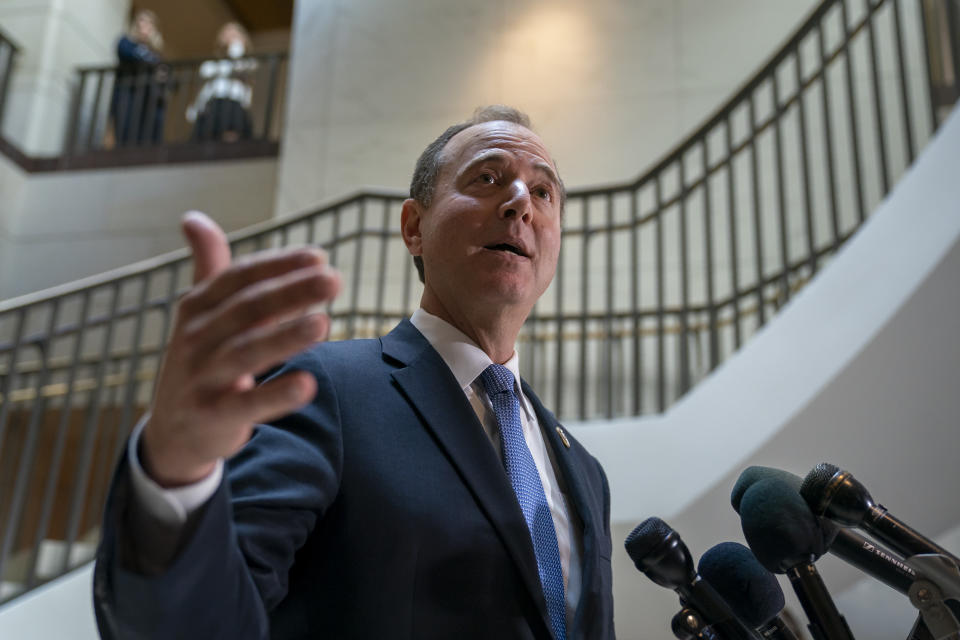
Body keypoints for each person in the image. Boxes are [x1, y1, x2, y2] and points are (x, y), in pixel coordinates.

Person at [93, 106, 615, 639]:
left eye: (544, 192)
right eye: (487, 177)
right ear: (415, 226)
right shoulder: (325, 389)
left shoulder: (585, 471)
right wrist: (177, 476)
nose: (520, 203)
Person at [187, 22, 257, 142]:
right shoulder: (214, 62)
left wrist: (236, 48)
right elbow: (205, 73)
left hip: (234, 103)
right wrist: (197, 106)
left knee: (230, 135)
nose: (230, 36)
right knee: (205, 137)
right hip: (214, 103)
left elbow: (238, 67)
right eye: (227, 33)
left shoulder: (248, 62)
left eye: (234, 34)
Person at [111, 9, 167, 146]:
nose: (144, 26)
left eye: (149, 24)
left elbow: (165, 75)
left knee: (144, 135)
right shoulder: (126, 42)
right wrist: (153, 66)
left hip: (147, 101)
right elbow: (128, 55)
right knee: (124, 133)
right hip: (127, 95)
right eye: (141, 22)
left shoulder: (155, 53)